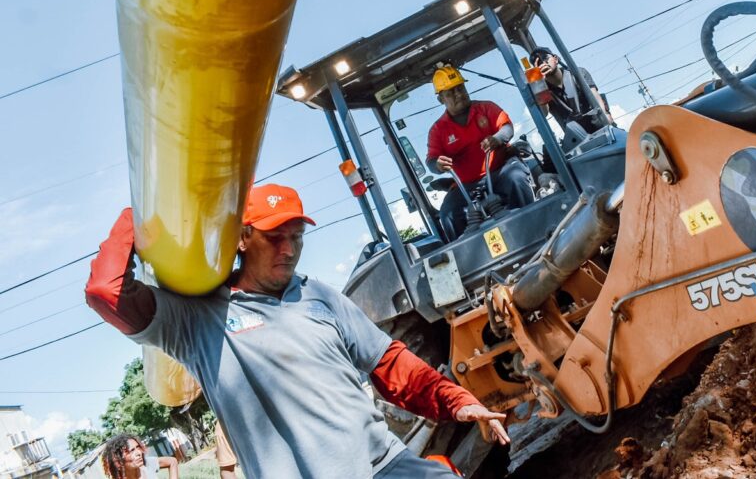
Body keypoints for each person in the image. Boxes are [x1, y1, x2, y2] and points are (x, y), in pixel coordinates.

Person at [86, 184, 510, 479]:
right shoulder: (197, 319)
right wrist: (139, 216)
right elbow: (106, 291)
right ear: (242, 238)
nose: (289, 250)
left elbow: (390, 362)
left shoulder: (320, 297)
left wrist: (456, 401)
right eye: (275, 237)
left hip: (385, 466)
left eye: (297, 236)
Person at [426, 66, 534, 236]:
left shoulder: (486, 108)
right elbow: (432, 161)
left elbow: (506, 127)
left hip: (501, 170)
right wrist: (438, 165)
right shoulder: (438, 130)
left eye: (460, 88)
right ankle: (467, 257)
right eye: (450, 92)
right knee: (447, 213)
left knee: (517, 179)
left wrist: (497, 138)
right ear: (441, 99)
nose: (458, 94)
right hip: (467, 186)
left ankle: (532, 230)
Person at [530, 46, 610, 134]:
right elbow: (543, 113)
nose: (543, 63)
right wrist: (539, 83)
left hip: (601, 127)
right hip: (577, 138)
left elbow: (595, 96)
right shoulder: (543, 90)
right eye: (538, 63)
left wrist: (605, 115)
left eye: (545, 58)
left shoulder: (578, 73)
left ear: (555, 59)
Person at [100, 433, 178, 479]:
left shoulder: (147, 464)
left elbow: (172, 461)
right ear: (118, 460)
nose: (138, 453)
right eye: (132, 451)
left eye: (138, 447)